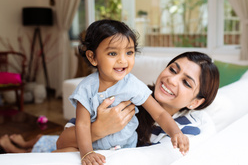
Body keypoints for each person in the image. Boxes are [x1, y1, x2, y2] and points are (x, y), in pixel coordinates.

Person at [56, 51, 219, 163]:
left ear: (195, 102)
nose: (172, 80)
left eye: (186, 83)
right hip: (86, 150)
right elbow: (62, 142)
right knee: (52, 151)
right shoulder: (130, 94)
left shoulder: (186, 131)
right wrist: (99, 129)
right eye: (172, 69)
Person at [64, 19, 189, 165]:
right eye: (112, 53)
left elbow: (159, 113)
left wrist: (176, 133)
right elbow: (83, 125)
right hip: (95, 151)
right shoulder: (86, 88)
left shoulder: (132, 84)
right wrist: (87, 153)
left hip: (128, 150)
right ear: (92, 57)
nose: (123, 60)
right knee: (59, 153)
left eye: (129, 52)